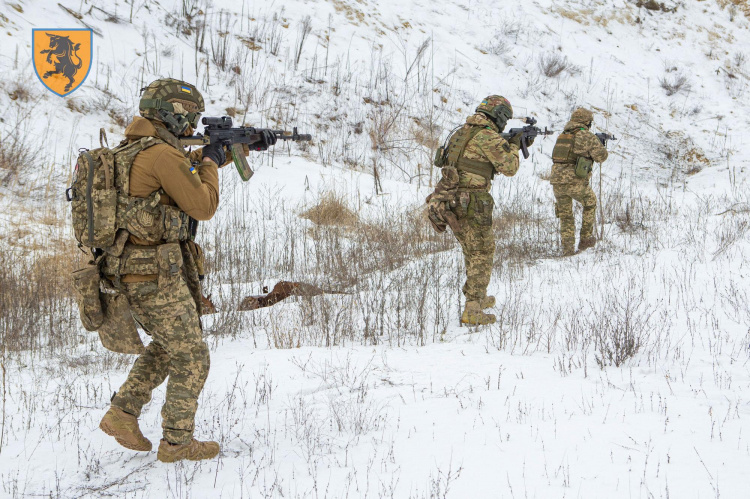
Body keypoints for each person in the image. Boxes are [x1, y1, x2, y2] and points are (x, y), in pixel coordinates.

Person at [96, 78, 274, 462]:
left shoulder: (134, 148)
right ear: (172, 114)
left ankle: (122, 413)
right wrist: (209, 162)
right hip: (153, 274)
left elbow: (173, 178)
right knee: (193, 355)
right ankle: (177, 442)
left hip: (132, 269)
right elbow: (202, 206)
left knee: (168, 344)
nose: (192, 127)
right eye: (189, 118)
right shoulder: (162, 154)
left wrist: (224, 153)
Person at [427, 95, 527, 326]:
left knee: (472, 251)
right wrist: (513, 145)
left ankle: (478, 297)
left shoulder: (461, 133)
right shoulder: (487, 136)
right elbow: (510, 167)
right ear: (500, 115)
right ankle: (472, 308)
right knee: (482, 253)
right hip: (472, 202)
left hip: (451, 201)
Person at [549, 108, 609, 256]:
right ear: (587, 122)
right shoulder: (585, 135)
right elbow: (601, 157)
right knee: (590, 203)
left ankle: (567, 249)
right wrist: (600, 144)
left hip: (557, 181)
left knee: (565, 215)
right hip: (574, 181)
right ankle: (585, 240)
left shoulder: (563, 135)